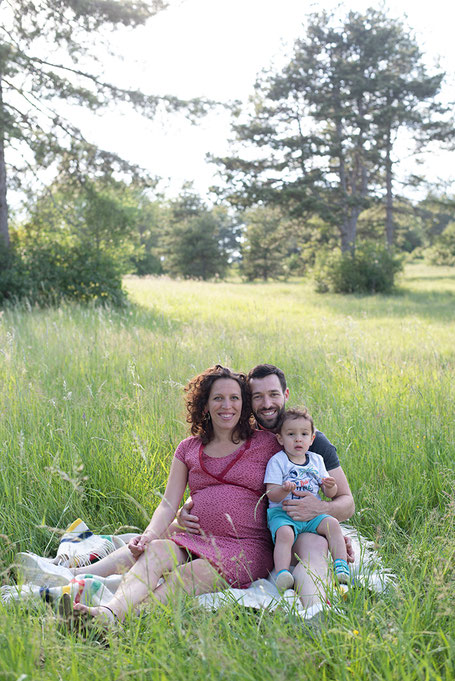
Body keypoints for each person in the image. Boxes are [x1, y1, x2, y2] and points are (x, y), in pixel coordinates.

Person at [73, 365, 282, 624]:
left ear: (244, 404)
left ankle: (120, 620)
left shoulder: (266, 443)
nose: (226, 405)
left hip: (246, 546)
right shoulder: (188, 449)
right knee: (157, 550)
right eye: (218, 398)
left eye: (234, 398)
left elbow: (301, 465)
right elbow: (168, 503)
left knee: (189, 574)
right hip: (197, 538)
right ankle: (109, 610)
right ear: (205, 405)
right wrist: (149, 535)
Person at [178, 363, 355, 608]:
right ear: (248, 402)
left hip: (299, 527)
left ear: (286, 395)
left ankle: (316, 611)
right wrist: (189, 505)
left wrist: (320, 511)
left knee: (313, 549)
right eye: (258, 397)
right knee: (166, 533)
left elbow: (347, 502)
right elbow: (222, 482)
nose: (267, 404)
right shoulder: (242, 434)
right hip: (253, 534)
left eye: (273, 394)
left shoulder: (308, 439)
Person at [264, 407, 350, 592]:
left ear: (312, 439)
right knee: (285, 534)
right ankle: (282, 572)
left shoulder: (316, 460)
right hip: (283, 513)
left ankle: (341, 565)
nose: (298, 439)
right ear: (280, 438)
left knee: (333, 524)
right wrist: (283, 489)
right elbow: (271, 493)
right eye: (291, 434)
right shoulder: (278, 461)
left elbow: (329, 493)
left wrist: (330, 485)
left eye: (304, 434)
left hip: (311, 517)